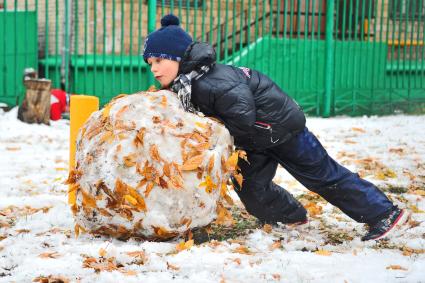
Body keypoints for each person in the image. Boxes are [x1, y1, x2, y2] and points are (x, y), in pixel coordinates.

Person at [142, 14, 408, 241]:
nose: (153, 69)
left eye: (158, 61)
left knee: (324, 177)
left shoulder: (211, 81)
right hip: (254, 140)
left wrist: (211, 142)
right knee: (250, 187)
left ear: (177, 56)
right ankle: (290, 217)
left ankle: (386, 215)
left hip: (282, 130)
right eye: (150, 63)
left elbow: (242, 117)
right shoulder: (189, 83)